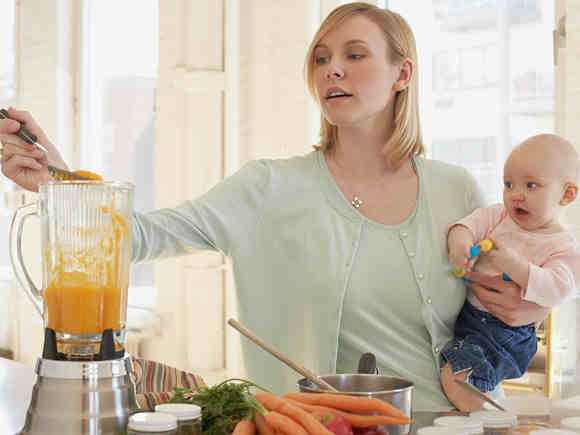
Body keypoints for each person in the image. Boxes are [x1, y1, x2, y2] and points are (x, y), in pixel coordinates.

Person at [0, 2, 550, 411]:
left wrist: (531, 300)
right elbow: (139, 237)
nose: (331, 69)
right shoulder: (267, 188)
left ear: (402, 74)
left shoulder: (458, 191)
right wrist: (57, 176)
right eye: (320, 59)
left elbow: (508, 302)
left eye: (354, 55)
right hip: (312, 427)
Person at [441, 134, 580, 411]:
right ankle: (487, 412)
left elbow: (559, 289)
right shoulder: (499, 215)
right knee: (458, 370)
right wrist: (460, 245)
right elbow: (465, 226)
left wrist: (514, 266)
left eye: (531, 185)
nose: (516, 194)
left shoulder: (562, 246)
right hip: (470, 318)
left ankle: (490, 420)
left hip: (506, 333)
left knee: (456, 376)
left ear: (566, 194)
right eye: (509, 184)